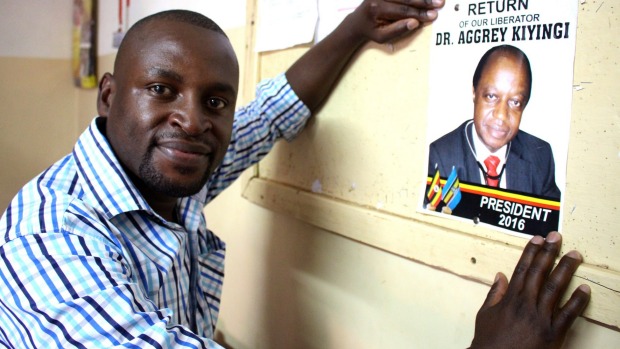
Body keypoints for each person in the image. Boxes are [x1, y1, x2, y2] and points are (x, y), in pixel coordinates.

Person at [0, 4, 589, 349]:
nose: (191, 119)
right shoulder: (50, 241)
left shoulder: (165, 171)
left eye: (215, 102)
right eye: (161, 89)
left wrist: (358, 23)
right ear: (108, 97)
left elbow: (268, 113)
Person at [428, 44, 562, 200]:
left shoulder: (540, 155)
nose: (501, 115)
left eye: (515, 102)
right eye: (491, 96)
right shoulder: (439, 156)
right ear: (474, 92)